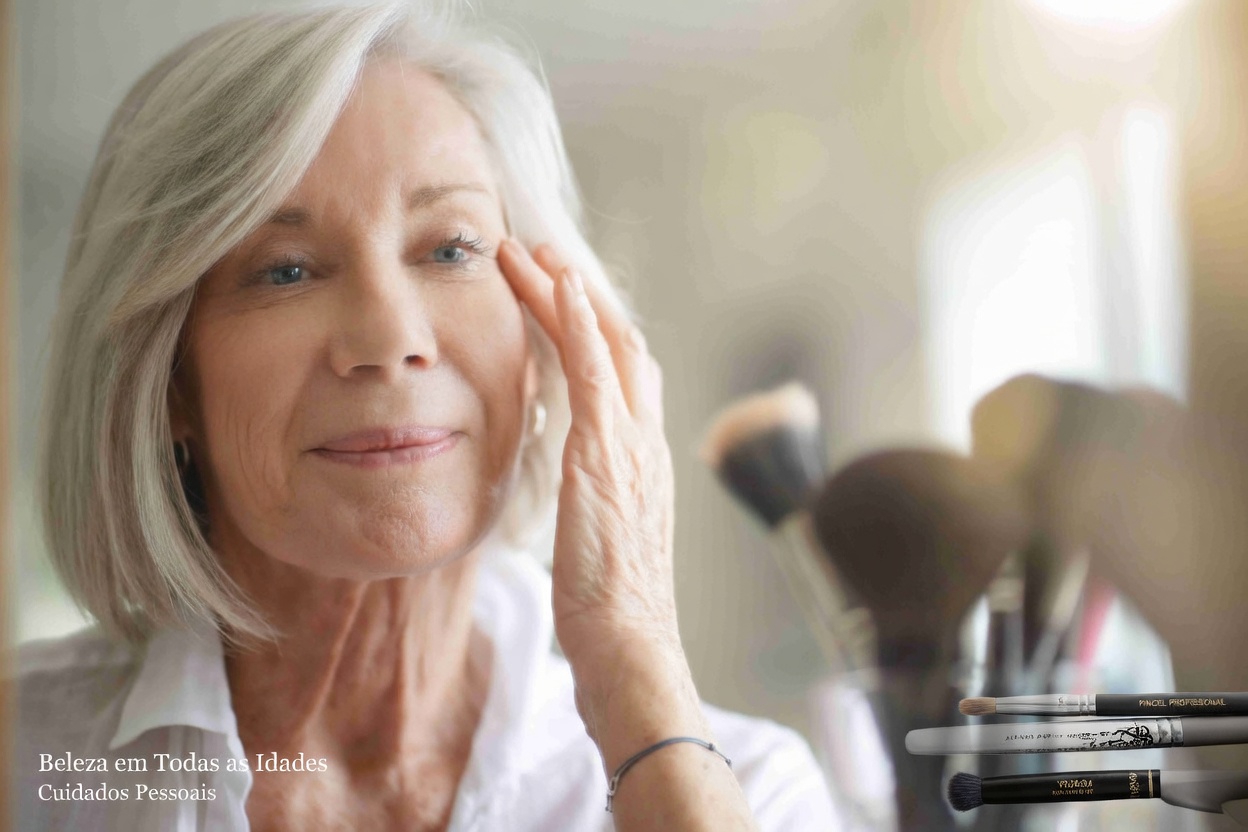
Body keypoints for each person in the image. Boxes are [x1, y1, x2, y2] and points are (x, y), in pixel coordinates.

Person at [12, 3, 837, 830]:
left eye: (450, 249)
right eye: (287, 270)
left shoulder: (750, 791)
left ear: (551, 336)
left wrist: (639, 672)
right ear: (170, 386)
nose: (391, 338)